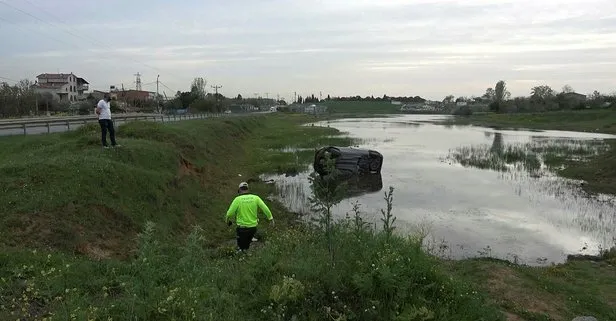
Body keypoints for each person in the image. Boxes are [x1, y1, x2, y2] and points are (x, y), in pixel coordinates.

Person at [225, 182, 274, 251]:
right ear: (248, 189)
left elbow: (229, 214)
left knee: (241, 248)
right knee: (247, 245)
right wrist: (271, 219)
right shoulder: (256, 198)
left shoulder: (237, 199)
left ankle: (242, 254)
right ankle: (247, 251)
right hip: (253, 228)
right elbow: (265, 209)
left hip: (242, 229)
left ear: (239, 190)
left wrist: (227, 221)